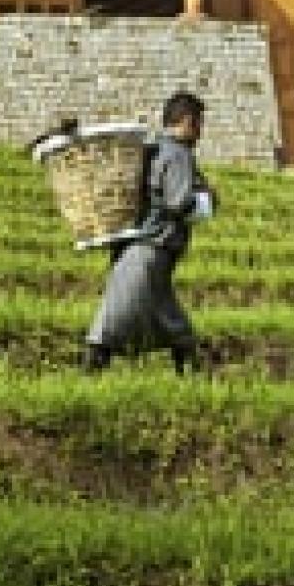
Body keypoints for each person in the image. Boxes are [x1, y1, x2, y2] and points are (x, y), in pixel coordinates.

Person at [83, 91, 214, 374]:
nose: (201, 132)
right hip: (149, 248)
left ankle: (192, 375)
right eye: (200, 124)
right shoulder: (177, 154)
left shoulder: (152, 150)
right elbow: (179, 201)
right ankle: (89, 374)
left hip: (143, 247)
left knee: (168, 317)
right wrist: (207, 201)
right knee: (114, 317)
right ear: (188, 121)